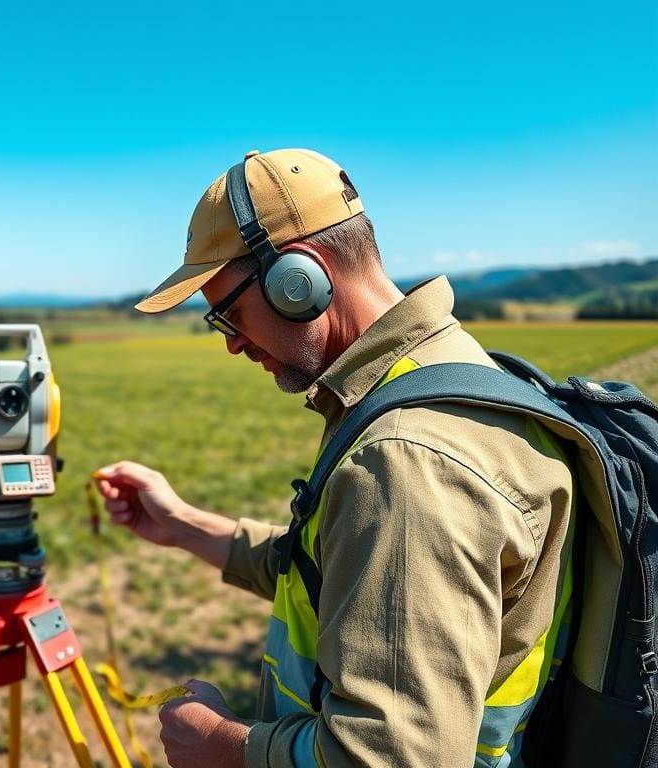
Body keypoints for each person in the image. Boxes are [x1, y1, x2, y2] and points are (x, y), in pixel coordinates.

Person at [94, 148, 573, 768]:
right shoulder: (436, 379)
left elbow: (394, 757)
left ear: (298, 280)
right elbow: (339, 571)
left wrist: (223, 748)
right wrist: (182, 523)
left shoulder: (408, 460)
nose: (233, 343)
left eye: (229, 313)